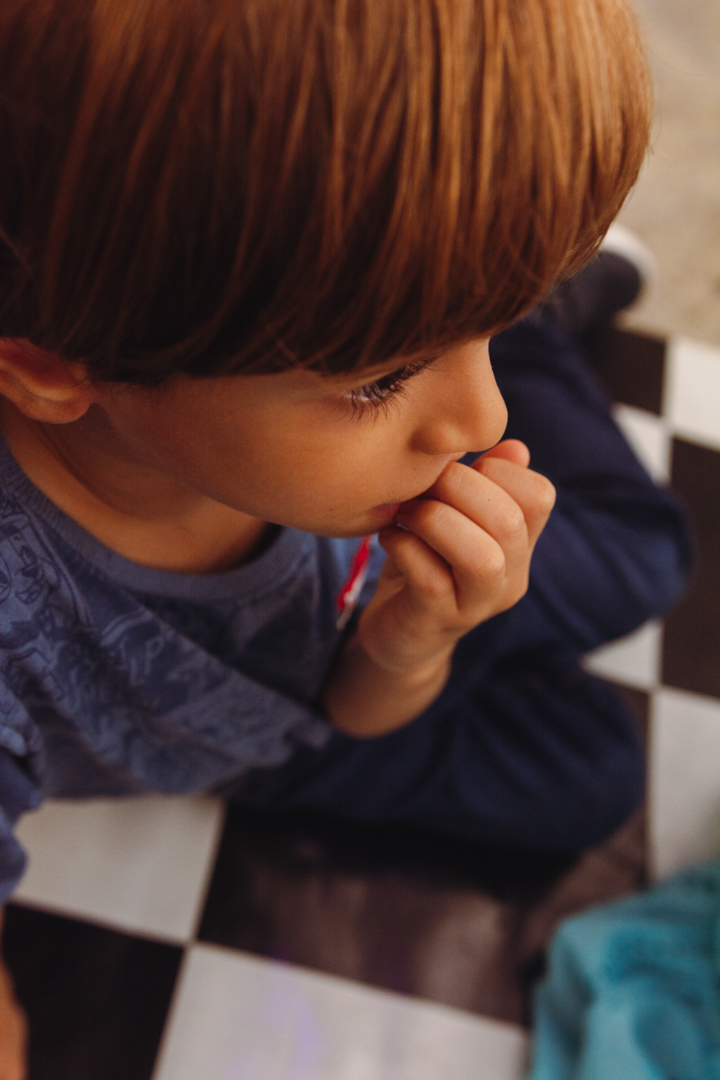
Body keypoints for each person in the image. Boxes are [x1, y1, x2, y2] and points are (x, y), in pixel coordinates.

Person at [0, 0, 690, 1073]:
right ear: (52, 368)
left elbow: (384, 659)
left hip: (361, 613)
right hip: (260, 732)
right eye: (379, 375)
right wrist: (397, 655)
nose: (485, 422)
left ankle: (519, 306)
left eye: (487, 331)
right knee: (591, 775)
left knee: (647, 558)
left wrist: (417, 636)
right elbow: (348, 721)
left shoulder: (326, 439)